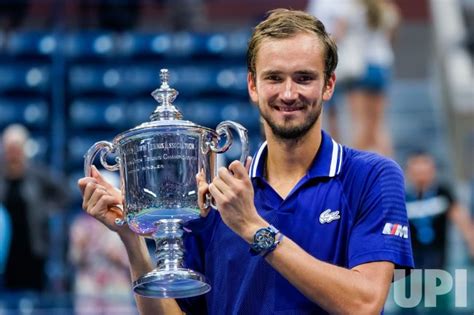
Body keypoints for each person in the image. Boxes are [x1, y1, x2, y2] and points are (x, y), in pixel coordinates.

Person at [78, 9, 414, 314]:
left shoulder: (371, 176)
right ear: (252, 85)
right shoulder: (215, 196)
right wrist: (132, 240)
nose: (288, 93)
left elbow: (365, 303)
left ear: (329, 85)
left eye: (304, 78)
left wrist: (254, 228)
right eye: (273, 78)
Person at [0, 124, 70, 293]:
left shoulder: (37, 174)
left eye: (17, 148)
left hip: (33, 246)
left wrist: (46, 210)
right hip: (5, 249)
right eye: (10, 149)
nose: (13, 153)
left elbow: (64, 193)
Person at [405, 151, 474, 268]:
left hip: (438, 261)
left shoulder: (443, 194)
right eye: (417, 173)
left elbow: (464, 223)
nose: (421, 177)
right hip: (410, 262)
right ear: (409, 173)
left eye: (425, 172)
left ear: (433, 171)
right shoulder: (403, 197)